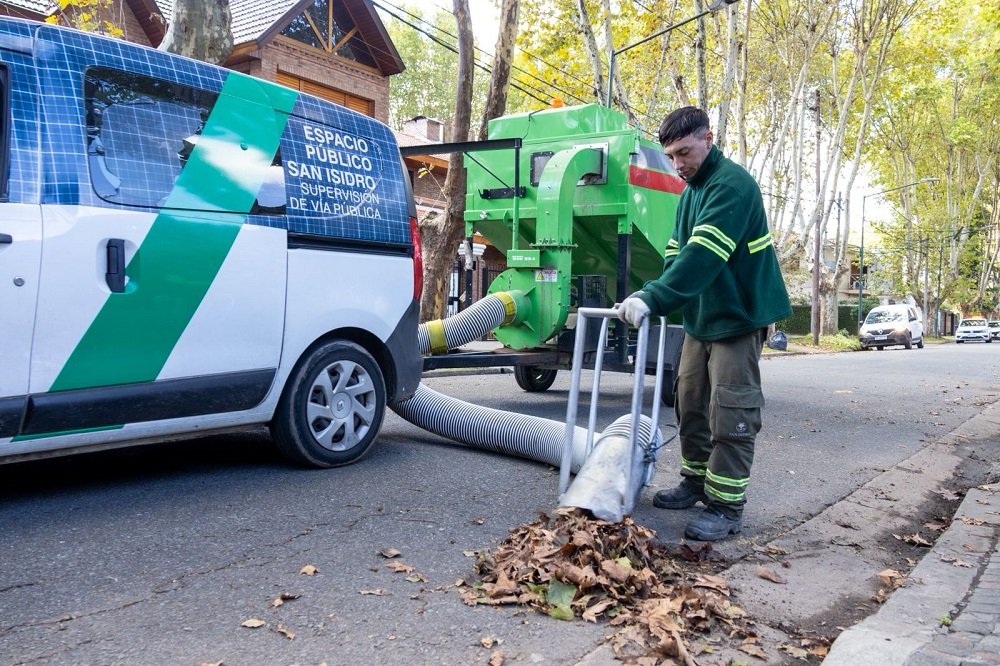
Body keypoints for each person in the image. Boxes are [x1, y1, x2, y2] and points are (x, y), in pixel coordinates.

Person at [618, 106, 791, 541]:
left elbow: (705, 256)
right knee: (690, 401)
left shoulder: (732, 185)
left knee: (731, 409)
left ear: (708, 138)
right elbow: (677, 253)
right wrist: (653, 291)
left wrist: (653, 298)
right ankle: (696, 482)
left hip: (737, 317)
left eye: (685, 152)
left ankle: (726, 506)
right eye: (671, 156)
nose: (678, 164)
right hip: (701, 318)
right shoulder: (690, 191)